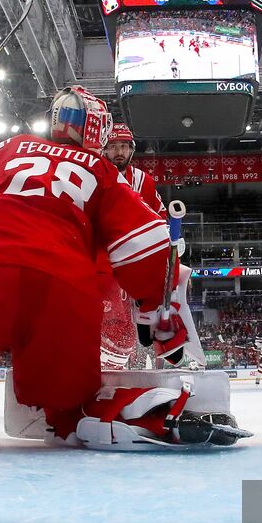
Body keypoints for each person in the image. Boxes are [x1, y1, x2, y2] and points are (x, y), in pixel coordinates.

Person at [0, 87, 244, 450]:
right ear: (98, 133)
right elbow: (147, 245)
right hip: (64, 291)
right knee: (71, 404)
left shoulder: (8, 149)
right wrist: (151, 313)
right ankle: (141, 414)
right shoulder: (103, 171)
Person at [100, 122, 205, 368]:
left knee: (170, 287)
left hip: (137, 259)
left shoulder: (142, 180)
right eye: (113, 146)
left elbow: (159, 216)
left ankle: (172, 344)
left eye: (124, 147)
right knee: (106, 317)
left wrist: (171, 238)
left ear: (131, 150)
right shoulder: (95, 175)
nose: (119, 152)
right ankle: (106, 362)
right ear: (103, 150)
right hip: (105, 260)